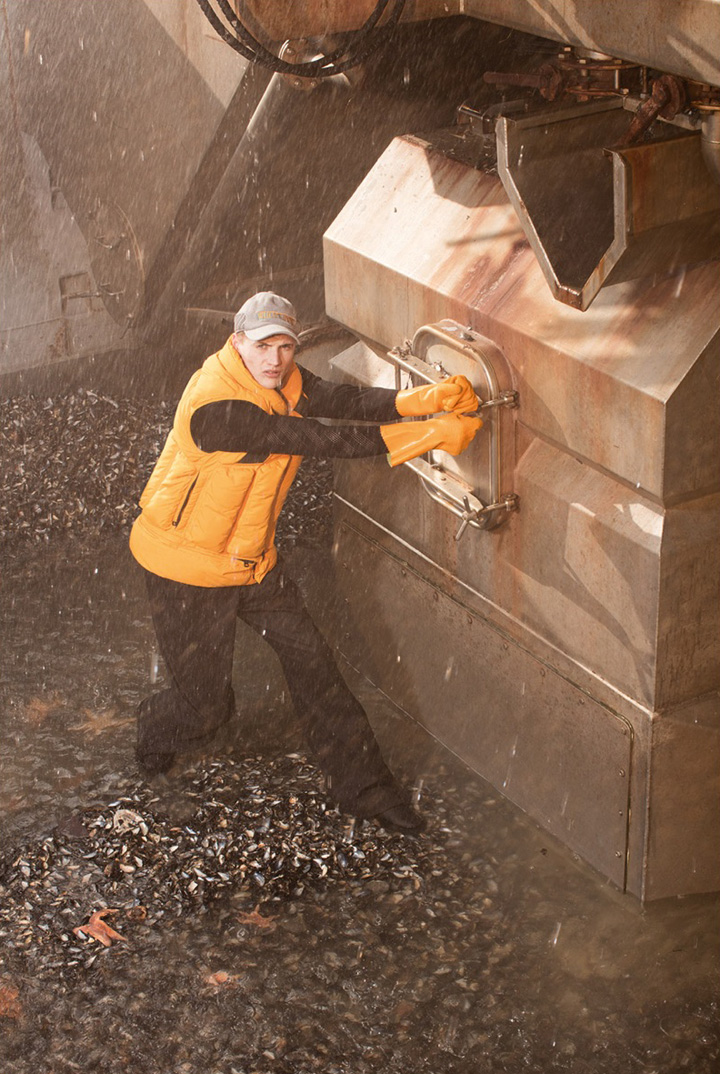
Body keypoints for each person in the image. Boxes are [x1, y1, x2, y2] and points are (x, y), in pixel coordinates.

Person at [129, 292, 482, 833]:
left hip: (254, 565)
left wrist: (414, 401)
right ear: (237, 342)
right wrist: (426, 435)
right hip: (187, 571)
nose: (275, 359)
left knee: (316, 667)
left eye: (286, 346)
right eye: (263, 345)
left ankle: (365, 791)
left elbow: (340, 402)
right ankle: (156, 727)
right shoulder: (214, 408)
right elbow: (310, 438)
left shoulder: (284, 381)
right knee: (207, 710)